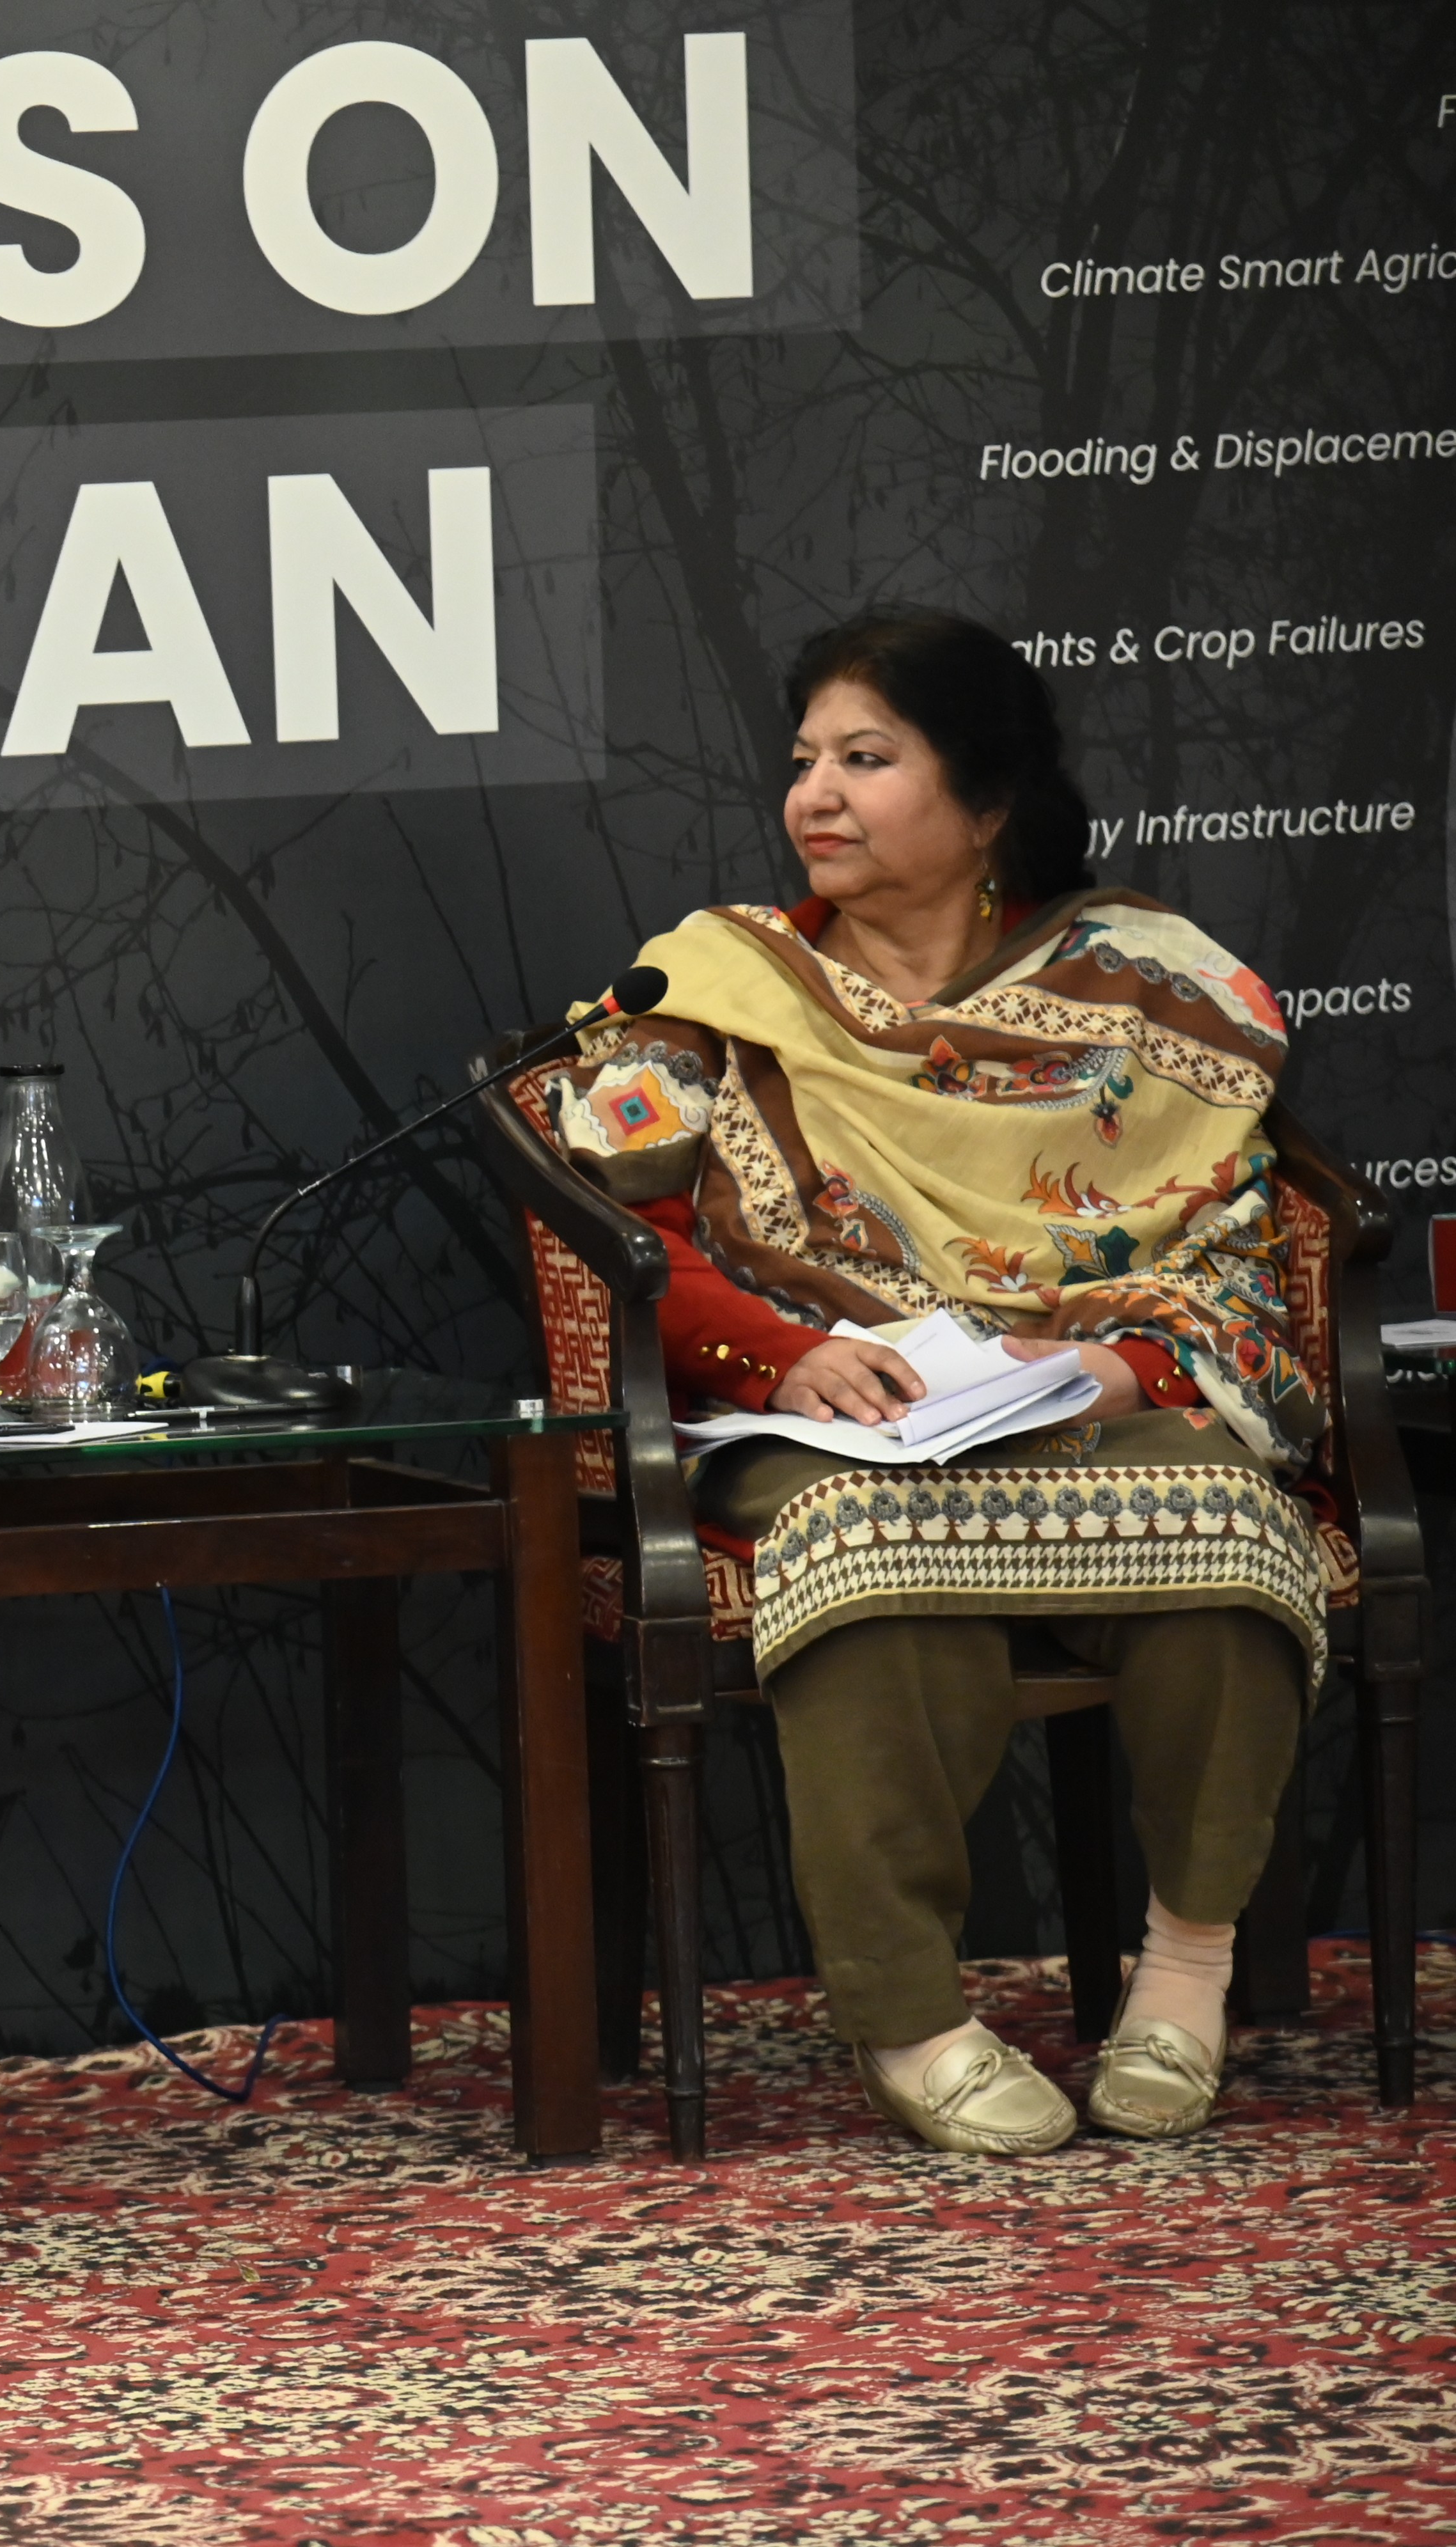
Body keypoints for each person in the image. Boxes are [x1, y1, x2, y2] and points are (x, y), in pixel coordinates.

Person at [550, 610, 1322, 2157]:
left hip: (1072, 1389)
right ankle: (909, 2016)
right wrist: (792, 1350)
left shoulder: (1138, 993)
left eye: (866, 758)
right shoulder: (716, 985)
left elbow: (1232, 1226)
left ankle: (1185, 1970)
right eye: (805, 763)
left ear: (986, 806)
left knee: (1236, 1529)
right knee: (865, 1539)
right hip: (822, 1403)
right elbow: (610, 1226)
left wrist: (1122, 1358)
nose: (815, 796)